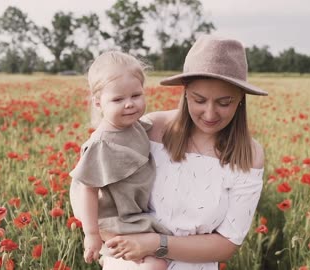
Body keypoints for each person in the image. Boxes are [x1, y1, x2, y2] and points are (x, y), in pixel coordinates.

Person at [100, 35, 268, 270]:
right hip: (133, 261)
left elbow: (228, 243)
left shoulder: (249, 155)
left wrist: (156, 243)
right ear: (185, 92)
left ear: (241, 98)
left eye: (224, 103)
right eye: (200, 100)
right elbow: (100, 187)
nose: (210, 114)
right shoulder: (151, 130)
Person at [68, 51, 171, 270]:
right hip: (117, 219)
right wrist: (92, 234)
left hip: (135, 213)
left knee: (162, 257)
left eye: (136, 95)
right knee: (156, 264)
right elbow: (87, 190)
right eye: (118, 99)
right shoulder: (102, 144)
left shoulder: (136, 127)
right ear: (98, 103)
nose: (129, 104)